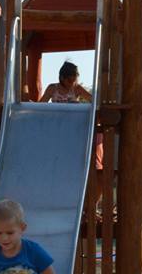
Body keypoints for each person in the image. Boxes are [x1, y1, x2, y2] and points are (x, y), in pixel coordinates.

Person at [40, 61, 103, 203]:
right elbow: (41, 104)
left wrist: (78, 105)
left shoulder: (76, 89)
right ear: (62, 78)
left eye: (74, 80)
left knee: (76, 164)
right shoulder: (52, 88)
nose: (72, 83)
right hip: (57, 129)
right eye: (69, 80)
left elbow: (94, 101)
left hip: (73, 130)